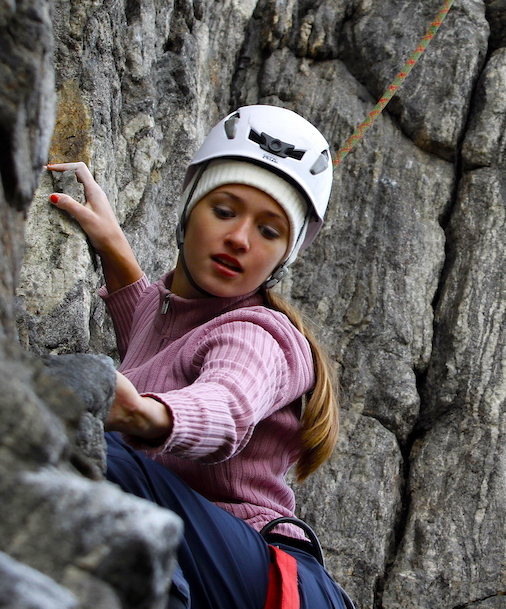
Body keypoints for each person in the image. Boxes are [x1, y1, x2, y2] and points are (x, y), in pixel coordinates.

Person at [47, 105, 351, 609]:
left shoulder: (259, 335)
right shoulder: (172, 315)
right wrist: (111, 243)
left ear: (283, 258)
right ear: (190, 209)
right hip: (222, 569)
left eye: (270, 232)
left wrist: (146, 414)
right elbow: (151, 323)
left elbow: (227, 405)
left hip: (269, 582)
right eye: (225, 210)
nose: (239, 238)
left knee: (96, 449)